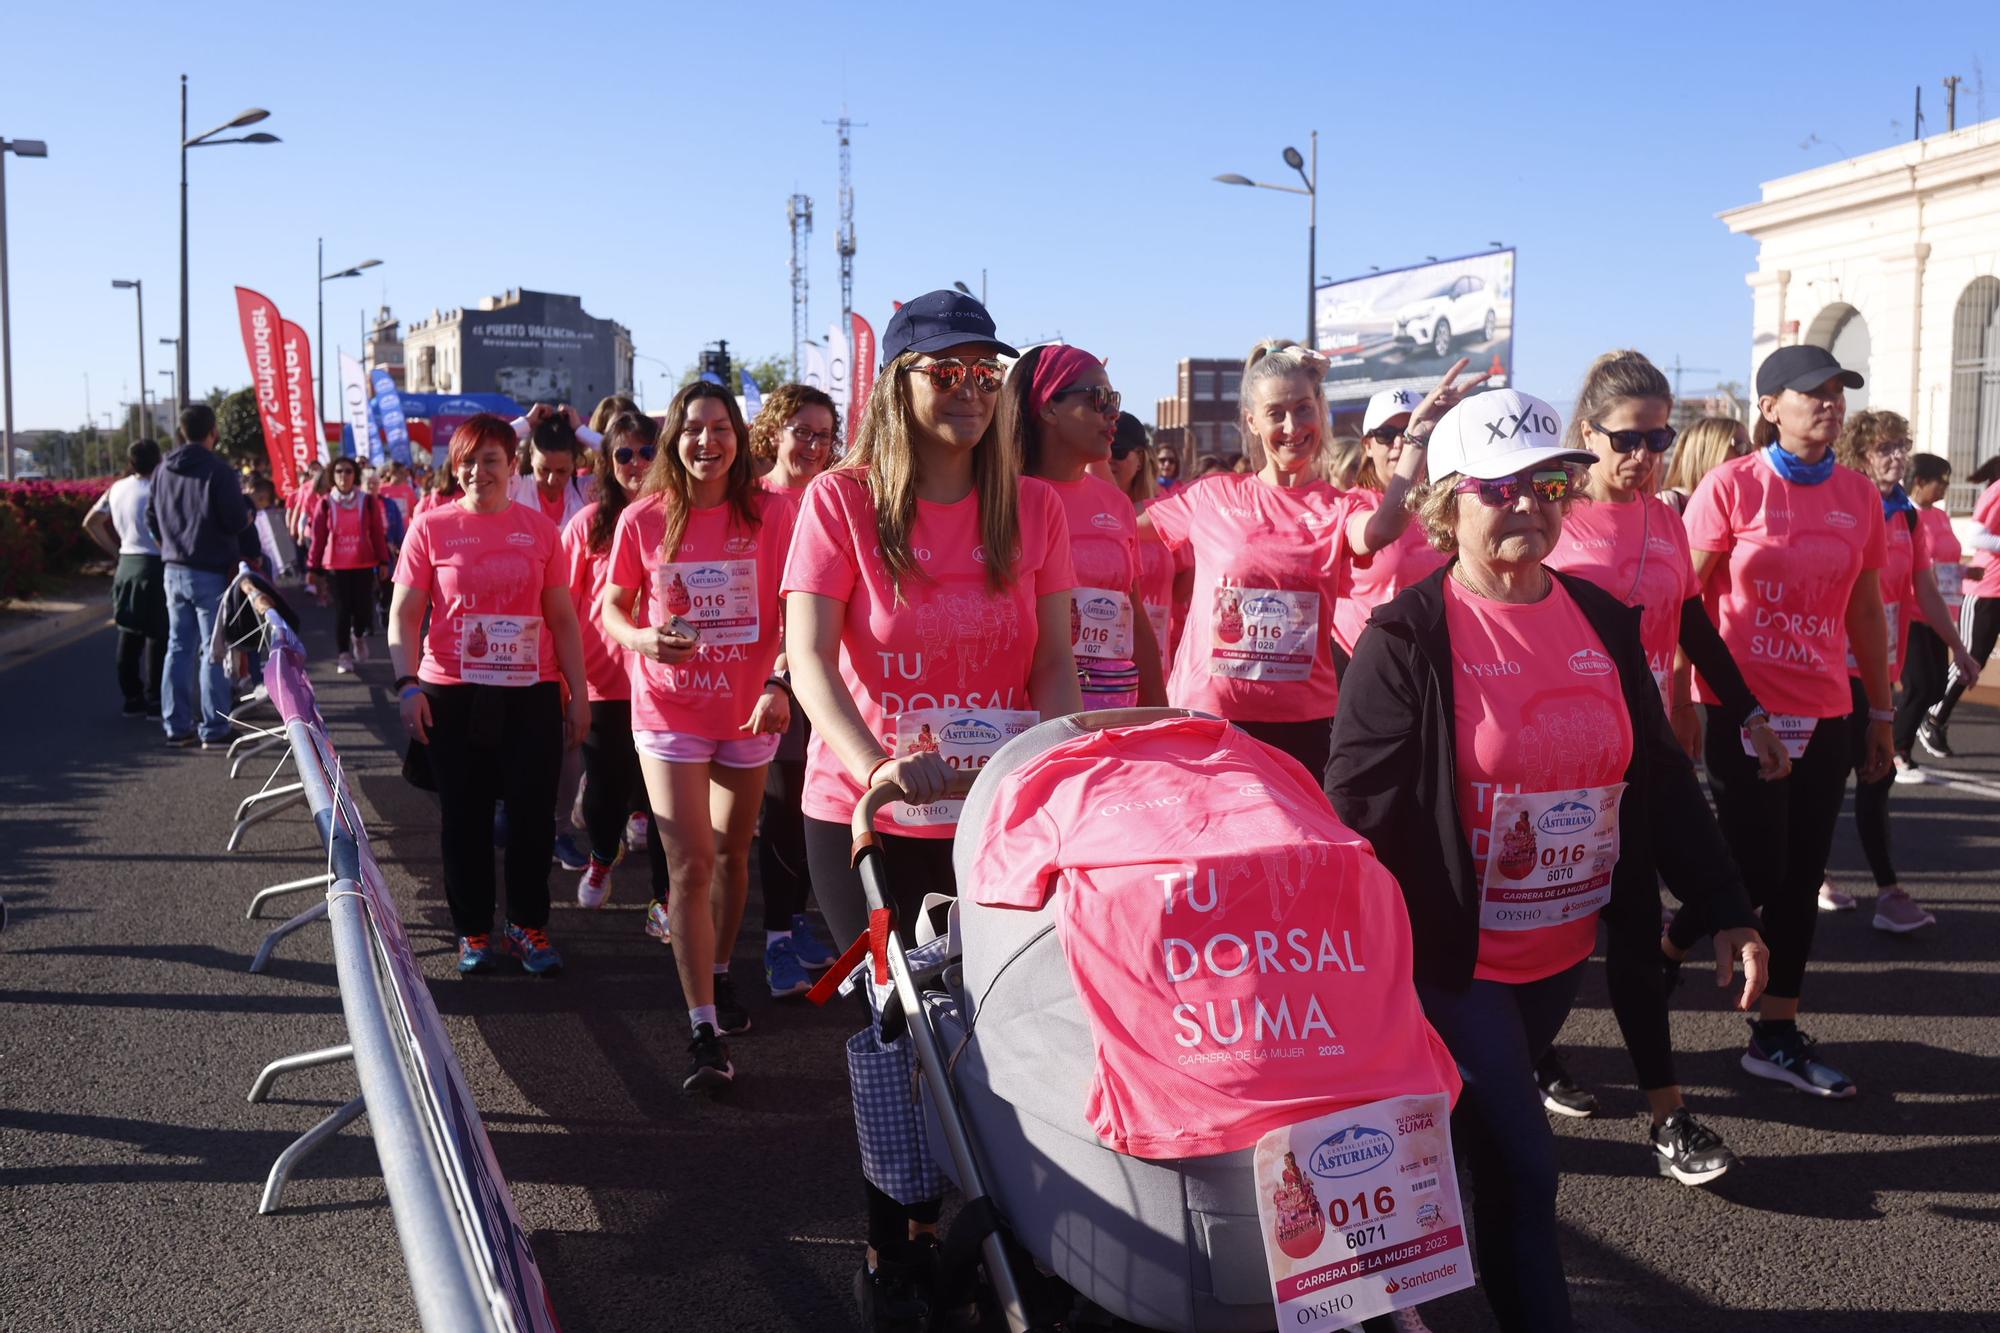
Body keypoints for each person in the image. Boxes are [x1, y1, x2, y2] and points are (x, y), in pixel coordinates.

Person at [1325, 388, 1767, 1333]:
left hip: (1558, 952)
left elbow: (1656, 769)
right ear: (1448, 503)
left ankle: (1404, 1285)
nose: (1529, 503)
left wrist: (1729, 901)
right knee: (1527, 1165)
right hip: (1451, 960)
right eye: (1501, 485)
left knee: (1472, 1147)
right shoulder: (1407, 639)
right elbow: (1356, 817)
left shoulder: (1602, 618)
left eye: (1550, 481)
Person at [782, 291, 1080, 1331]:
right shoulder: (840, 502)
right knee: (897, 1031)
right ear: (896, 386)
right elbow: (809, 662)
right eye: (942, 370)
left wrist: (1050, 767)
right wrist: (870, 764)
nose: (966, 388)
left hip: (989, 816)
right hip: (866, 820)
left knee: (1005, 1025)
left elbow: (1053, 662)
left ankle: (1021, 1228)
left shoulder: (1032, 510)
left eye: (982, 373)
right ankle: (894, 1241)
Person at [1537, 350, 1791, 1177]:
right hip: (1556, 759)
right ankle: (1532, 1057)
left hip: (1640, 750)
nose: (1645, 457)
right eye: (1628, 440)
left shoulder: (1665, 520)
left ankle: (1668, 1115)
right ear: (1588, 435)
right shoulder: (1550, 520)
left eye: (1660, 437)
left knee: (1637, 932)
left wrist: (1745, 706)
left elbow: (1689, 621)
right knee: (1553, 936)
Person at [1664, 344, 1893, 1098]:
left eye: (1836, 392)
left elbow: (1864, 606)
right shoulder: (1733, 486)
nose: (1828, 404)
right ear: (1769, 407)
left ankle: (1777, 1031)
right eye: (1810, 393)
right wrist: (1681, 694)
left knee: (1799, 877)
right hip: (1741, 706)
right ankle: (1669, 944)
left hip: (1825, 707)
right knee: (1755, 865)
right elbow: (1684, 601)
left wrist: (1882, 708)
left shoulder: (1859, 496)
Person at [1141, 345, 1486, 780]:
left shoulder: (1336, 507)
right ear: (1252, 420)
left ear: (1320, 412)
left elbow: (1382, 527)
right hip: (1212, 716)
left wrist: (1417, 438)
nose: (1292, 427)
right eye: (1276, 413)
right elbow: (1116, 528)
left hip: (1304, 726)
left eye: (1304, 409)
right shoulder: (1212, 496)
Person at [601, 382, 798, 1084]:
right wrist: (645, 639)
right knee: (689, 865)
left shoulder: (774, 516)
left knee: (730, 853)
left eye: (719, 428)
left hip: (747, 709)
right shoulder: (644, 519)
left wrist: (780, 683)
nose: (706, 442)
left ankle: (719, 969)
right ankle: (703, 1027)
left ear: (739, 438)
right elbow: (612, 610)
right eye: (692, 429)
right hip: (669, 710)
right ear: (672, 439)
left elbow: (798, 613)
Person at [388, 414, 591, 977]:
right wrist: (407, 686)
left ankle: (527, 925)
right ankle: (473, 929)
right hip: (452, 693)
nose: (479, 471)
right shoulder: (431, 527)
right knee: (465, 819)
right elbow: (403, 617)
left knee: (532, 817)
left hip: (531, 690)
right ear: (456, 468)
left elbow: (563, 619)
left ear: (512, 464)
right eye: (468, 461)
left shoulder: (541, 530)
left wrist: (578, 694)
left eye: (491, 459)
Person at [1816, 411, 1976, 929]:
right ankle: (1812, 878)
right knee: (1824, 784)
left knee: (1876, 776)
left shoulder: (1906, 516)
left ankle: (1888, 892)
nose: (1898, 457)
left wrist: (1960, 648)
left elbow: (1924, 589)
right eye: (1886, 447)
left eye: (1902, 446)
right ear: (1860, 453)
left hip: (1877, 670)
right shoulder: (1836, 505)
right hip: (1826, 670)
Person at [1002, 344, 1167, 710]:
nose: (1114, 413)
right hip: (1030, 724)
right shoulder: (1001, 502)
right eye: (1098, 398)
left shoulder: (1115, 504)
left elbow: (1135, 617)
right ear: (1048, 407)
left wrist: (1158, 710)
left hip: (1114, 716)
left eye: (1114, 398)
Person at [748, 383, 844, 996]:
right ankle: (776, 938)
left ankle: (802, 921)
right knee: (781, 813)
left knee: (823, 813)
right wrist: (771, 674)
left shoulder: (838, 499)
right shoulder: (753, 503)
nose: (812, 445)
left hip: (832, 679)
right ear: (774, 432)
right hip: (774, 682)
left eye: (823, 434)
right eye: (801, 432)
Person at [562, 410, 672, 925]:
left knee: (663, 798)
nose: (636, 463)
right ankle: (603, 859)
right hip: (604, 682)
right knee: (606, 789)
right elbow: (561, 605)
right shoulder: (588, 525)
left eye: (646, 451)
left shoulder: (680, 516)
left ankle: (665, 900)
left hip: (670, 684)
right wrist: (565, 680)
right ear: (608, 462)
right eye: (624, 454)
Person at [509, 405, 598, 869]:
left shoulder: (584, 492)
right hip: (514, 635)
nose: (553, 481)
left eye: (563, 471)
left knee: (568, 738)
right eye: (545, 470)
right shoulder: (515, 487)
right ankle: (513, 816)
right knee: (513, 737)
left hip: (569, 633)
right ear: (528, 461)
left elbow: (639, 466)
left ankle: (561, 830)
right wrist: (526, 422)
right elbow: (487, 447)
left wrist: (583, 430)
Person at [147, 404, 254, 748]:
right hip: (208, 569)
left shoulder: (163, 469)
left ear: (181, 431)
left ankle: (176, 725)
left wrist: (170, 545)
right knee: (213, 650)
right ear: (214, 433)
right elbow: (235, 520)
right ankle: (214, 728)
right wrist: (248, 515)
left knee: (177, 648)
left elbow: (150, 517)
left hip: (172, 568)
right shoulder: (219, 471)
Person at [1331, 388, 1449, 680]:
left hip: (1431, 664)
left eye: (1410, 431)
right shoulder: (1349, 506)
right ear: (1367, 445)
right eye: (1386, 434)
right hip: (1363, 668)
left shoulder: (1444, 508)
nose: (1401, 443)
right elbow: (1383, 525)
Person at [1921, 454, 2000, 757]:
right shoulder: (1997, 490)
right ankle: (1933, 717)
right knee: (1971, 658)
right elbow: (1977, 534)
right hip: (1985, 591)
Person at [83, 439, 168, 718]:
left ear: (130, 461)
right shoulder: (159, 487)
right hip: (156, 564)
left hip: (127, 563)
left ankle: (131, 697)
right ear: (158, 460)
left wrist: (115, 551)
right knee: (159, 635)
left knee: (129, 634)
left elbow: (90, 522)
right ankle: (156, 698)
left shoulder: (116, 488)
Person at [1894, 451, 1962, 777]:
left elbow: (1946, 562)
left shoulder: (1942, 516)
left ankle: (1895, 736)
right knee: (1919, 685)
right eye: (1941, 481)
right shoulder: (1906, 514)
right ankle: (1896, 750)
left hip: (1940, 611)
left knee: (1935, 687)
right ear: (1919, 482)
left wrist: (1966, 572)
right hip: (1912, 611)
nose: (1946, 488)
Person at [1091, 412, 1178, 657]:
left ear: (1140, 459)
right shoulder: (1079, 515)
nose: (1109, 458)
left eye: (1118, 451)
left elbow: (1186, 577)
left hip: (1155, 654)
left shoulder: (1164, 511)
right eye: (1103, 450)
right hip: (1100, 659)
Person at [307, 456, 391, 674]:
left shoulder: (367, 501)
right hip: (336, 566)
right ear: (332, 476)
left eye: (347, 471)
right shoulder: (325, 502)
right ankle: (344, 654)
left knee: (363, 610)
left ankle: (359, 635)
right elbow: (318, 537)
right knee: (343, 611)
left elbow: (377, 533)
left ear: (354, 474)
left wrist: (383, 561)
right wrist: (313, 568)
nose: (343, 476)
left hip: (363, 563)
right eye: (338, 472)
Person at [1658, 415, 1749, 516]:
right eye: (1740, 446)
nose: (1749, 454)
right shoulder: (1669, 502)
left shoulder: (1737, 502)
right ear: (1709, 452)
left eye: (1750, 447)